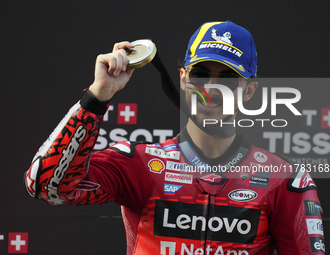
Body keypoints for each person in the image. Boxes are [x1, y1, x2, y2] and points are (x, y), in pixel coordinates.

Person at [24, 21, 325, 255]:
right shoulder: (140, 164)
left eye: (229, 78)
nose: (211, 87)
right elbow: (46, 186)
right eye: (200, 73)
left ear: (249, 90)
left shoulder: (284, 180)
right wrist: (97, 95)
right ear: (182, 78)